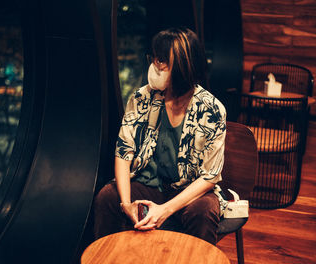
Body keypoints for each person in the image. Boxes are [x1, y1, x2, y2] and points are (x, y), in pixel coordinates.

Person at [94, 27, 226, 245]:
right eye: (154, 58)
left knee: (204, 211)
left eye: (161, 60)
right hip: (150, 185)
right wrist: (126, 204)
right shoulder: (142, 97)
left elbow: (210, 176)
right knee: (107, 197)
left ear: (183, 66)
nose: (154, 65)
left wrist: (165, 210)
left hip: (189, 191)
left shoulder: (211, 109)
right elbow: (123, 152)